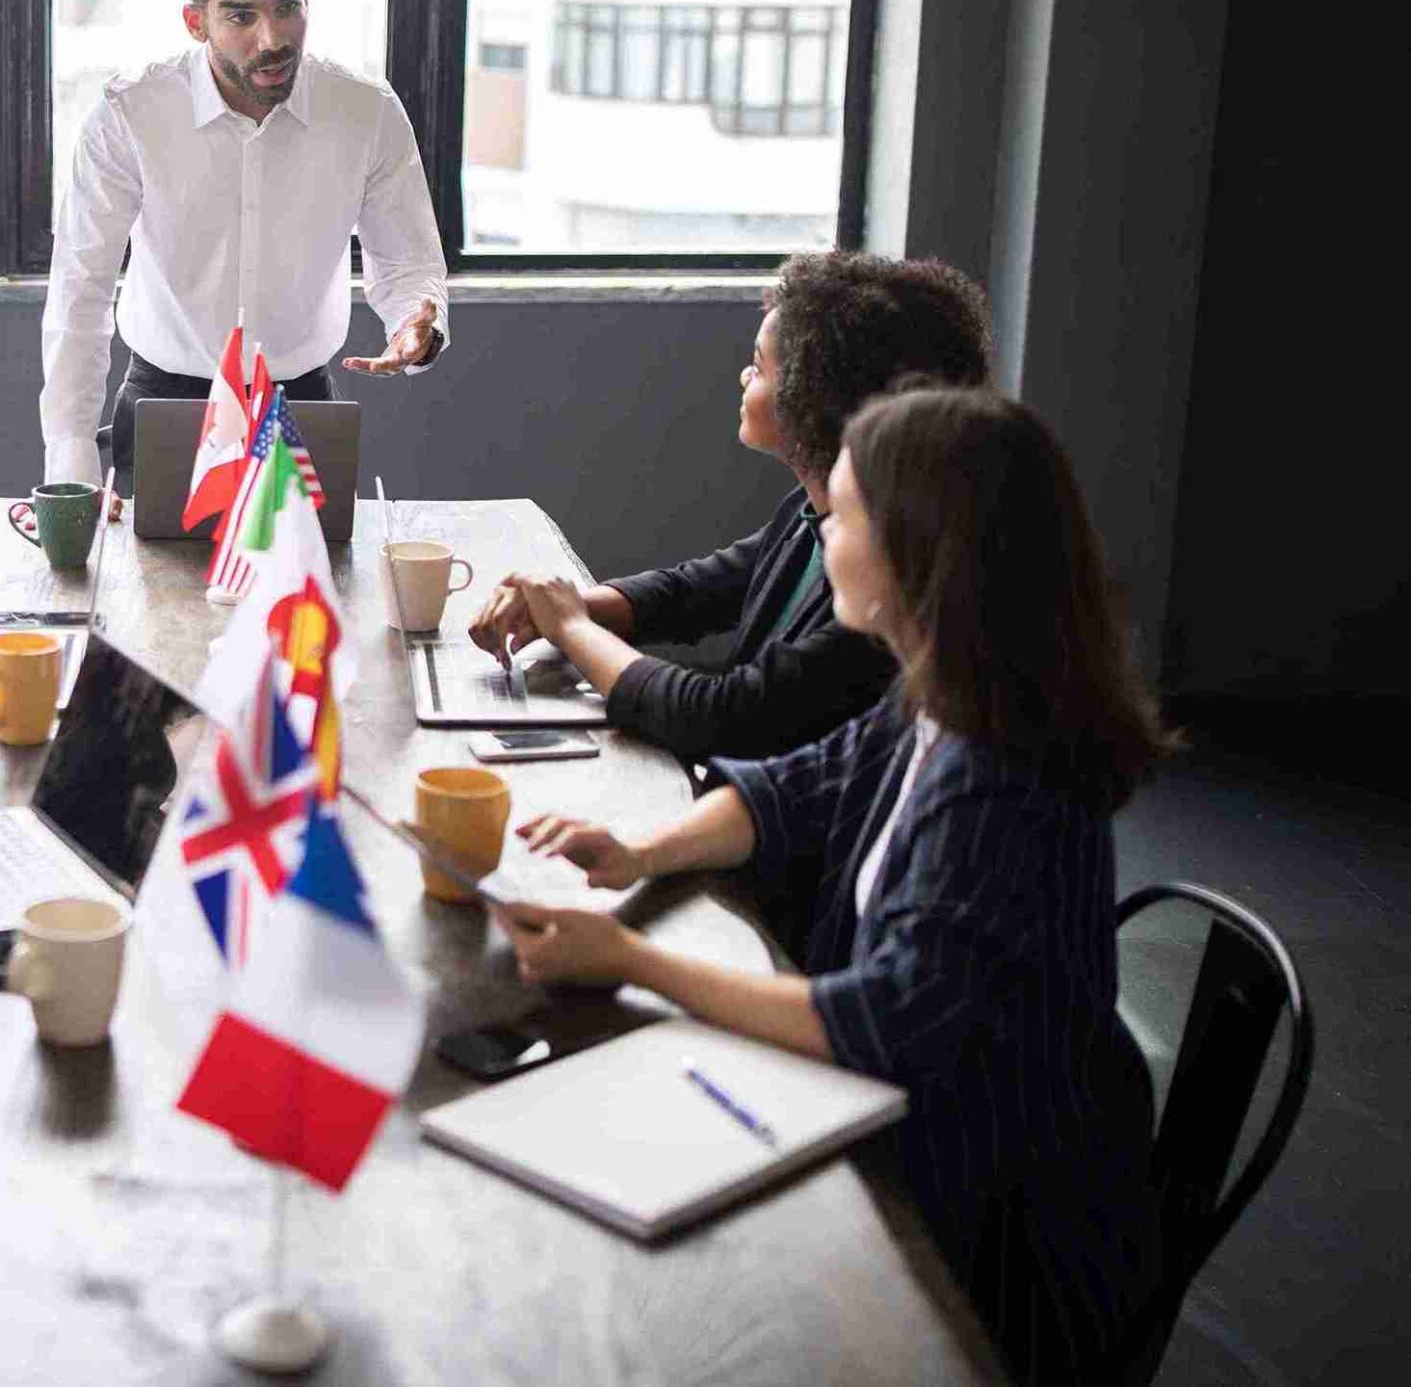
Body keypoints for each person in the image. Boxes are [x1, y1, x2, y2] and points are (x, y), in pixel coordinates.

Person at [496, 385, 1169, 1385]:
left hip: (996, 1234)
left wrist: (635, 958)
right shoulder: (942, 690)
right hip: (927, 1134)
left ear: (914, 555)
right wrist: (641, 854)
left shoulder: (998, 778)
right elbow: (792, 793)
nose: (823, 533)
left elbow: (884, 1024)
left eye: (844, 516)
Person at [468, 252, 990, 760]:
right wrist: (557, 604)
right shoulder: (810, 515)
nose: (744, 377)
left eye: (759, 368)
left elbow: (724, 717)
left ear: (815, 399)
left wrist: (572, 627)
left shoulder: (884, 586)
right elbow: (696, 591)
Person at [40, 0, 451, 500]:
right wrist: (72, 468)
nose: (273, 38)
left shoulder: (367, 111)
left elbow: (410, 265)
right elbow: (80, 293)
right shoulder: (130, 116)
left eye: (288, 6)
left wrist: (420, 323)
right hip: (166, 403)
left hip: (301, 406)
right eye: (241, 16)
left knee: (315, 592)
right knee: (147, 590)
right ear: (195, 21)